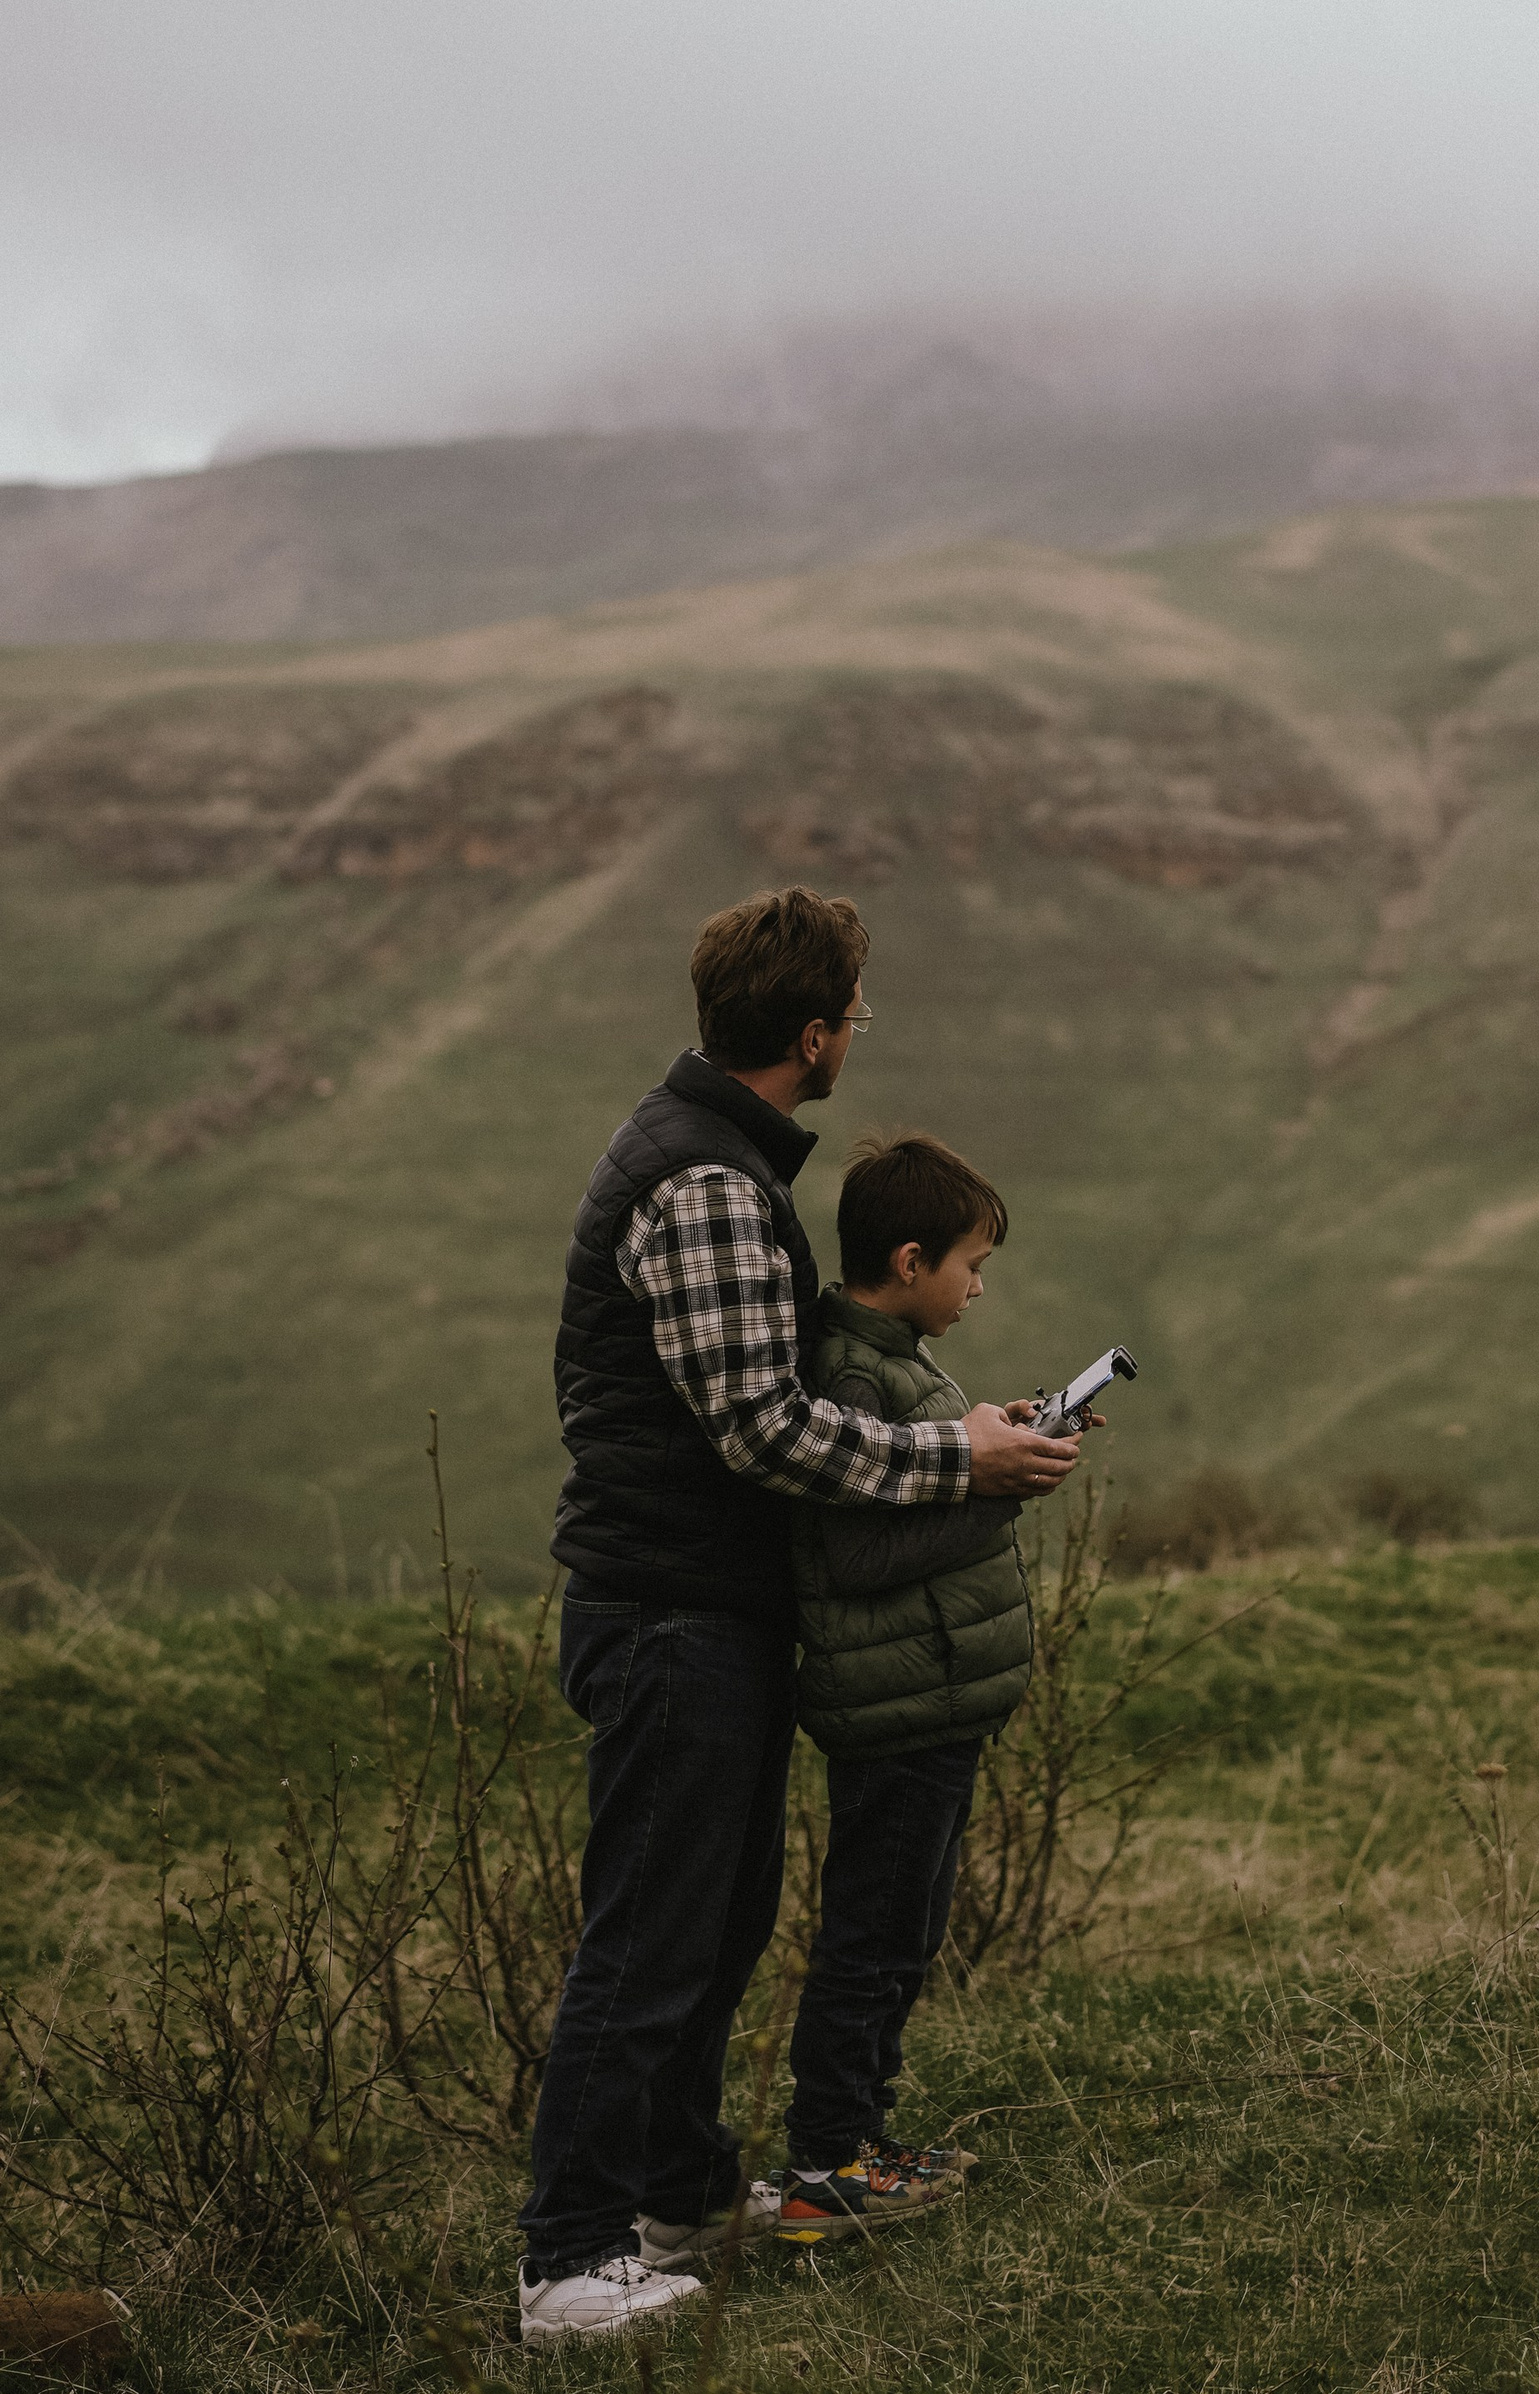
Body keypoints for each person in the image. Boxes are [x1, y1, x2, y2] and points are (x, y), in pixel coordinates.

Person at [514, 889, 1079, 2349]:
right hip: (668, 1612)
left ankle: (676, 2200)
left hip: (714, 1611)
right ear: (814, 1033)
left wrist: (966, 1429)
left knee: (714, 1919)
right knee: (649, 1935)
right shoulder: (702, 1182)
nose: (852, 1045)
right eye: (852, 1022)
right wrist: (961, 1457)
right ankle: (568, 2257)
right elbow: (762, 1431)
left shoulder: (718, 1157)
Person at [776, 1135, 1036, 2246]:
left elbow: (919, 1489)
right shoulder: (854, 1371)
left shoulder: (892, 1357)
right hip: (894, 1712)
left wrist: (1003, 1443)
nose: (980, 1285)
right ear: (912, 1255)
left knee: (909, 1923)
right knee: (872, 1932)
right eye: (972, 1262)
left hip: (929, 1704)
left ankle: (865, 2143)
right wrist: (997, 1491)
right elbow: (856, 1558)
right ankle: (822, 2166)